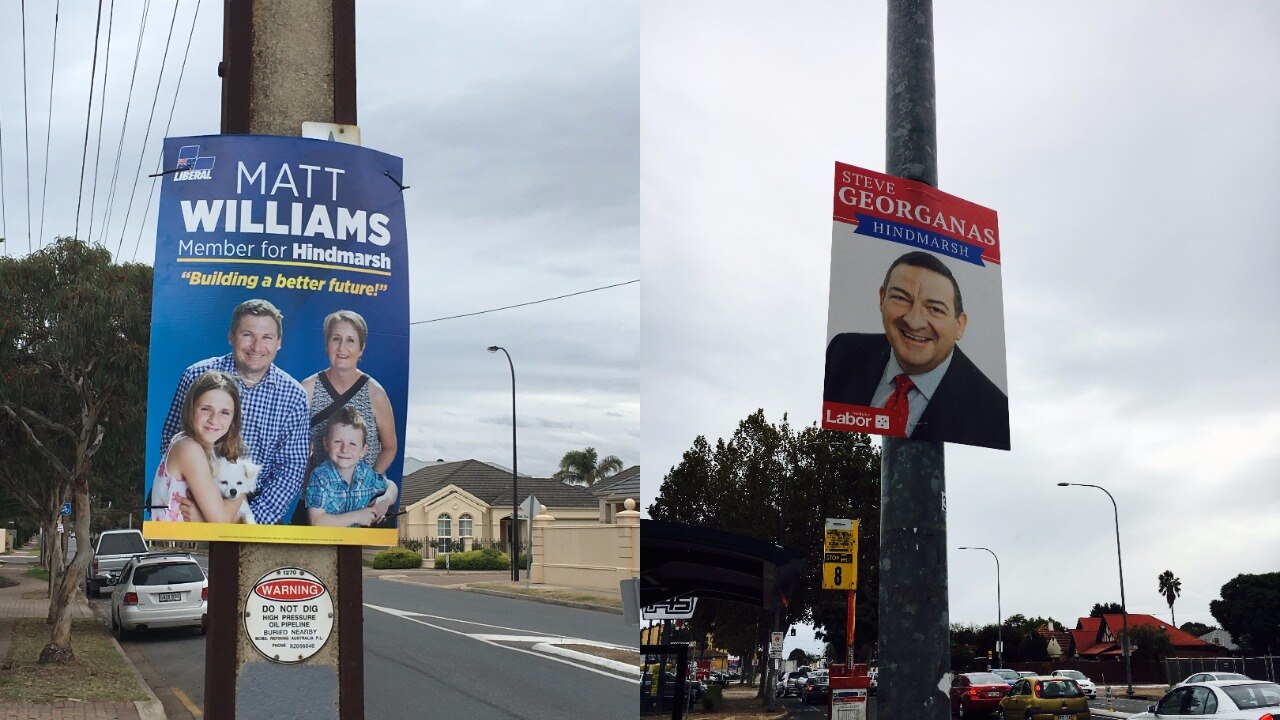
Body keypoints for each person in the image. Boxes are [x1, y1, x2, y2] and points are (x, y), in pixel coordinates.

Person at [824, 250, 1009, 449]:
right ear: (882, 298)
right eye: (901, 298)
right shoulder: (842, 352)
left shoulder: (994, 415)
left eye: (935, 309)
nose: (913, 321)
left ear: (960, 325)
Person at [161, 299, 309, 524]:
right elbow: (171, 441)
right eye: (247, 335)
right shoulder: (196, 377)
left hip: (256, 512)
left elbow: (291, 469)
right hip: (192, 505)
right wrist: (205, 505)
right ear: (231, 336)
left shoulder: (294, 396)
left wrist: (248, 522)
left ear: (279, 342)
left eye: (267, 337)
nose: (256, 347)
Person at [300, 309, 397, 472]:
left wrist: (370, 483)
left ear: (361, 348)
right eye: (336, 339)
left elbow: (389, 447)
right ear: (327, 344)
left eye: (350, 340)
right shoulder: (307, 390)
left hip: (364, 495)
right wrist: (308, 484)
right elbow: (293, 447)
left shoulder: (375, 394)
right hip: (317, 494)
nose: (342, 347)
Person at [151, 371, 252, 523]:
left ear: (233, 419)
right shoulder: (188, 448)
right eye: (205, 409)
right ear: (191, 409)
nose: (214, 419)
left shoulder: (208, 452)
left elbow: (232, 520)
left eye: (225, 412)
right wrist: (243, 483)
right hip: (175, 545)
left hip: (190, 543)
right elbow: (222, 521)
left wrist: (204, 519)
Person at [305, 407, 398, 527]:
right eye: (338, 441)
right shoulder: (320, 476)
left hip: (357, 542)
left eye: (352, 444)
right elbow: (317, 522)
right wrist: (357, 516)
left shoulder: (365, 473)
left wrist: (386, 500)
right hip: (328, 543)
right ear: (326, 444)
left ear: (363, 451)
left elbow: (392, 486)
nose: (345, 449)